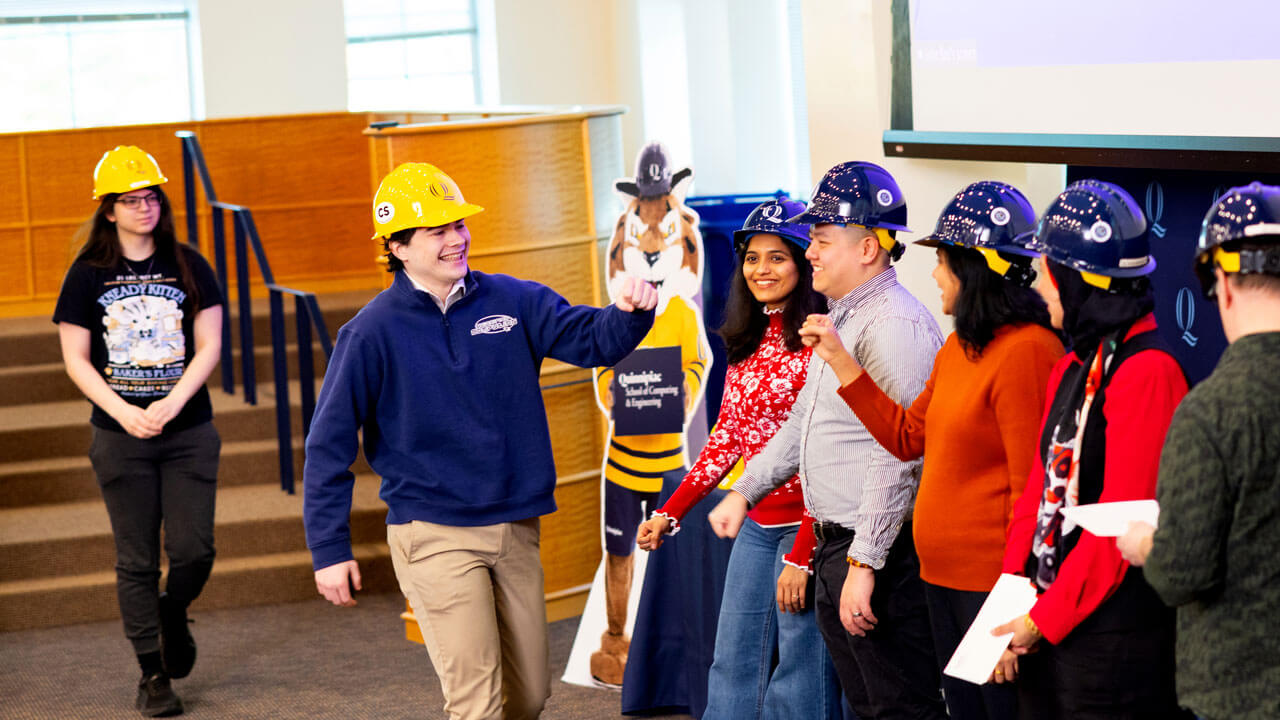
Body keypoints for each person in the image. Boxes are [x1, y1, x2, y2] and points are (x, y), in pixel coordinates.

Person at [302, 162, 656, 720]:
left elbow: (594, 340)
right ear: (397, 247)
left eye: (459, 225)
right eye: (437, 231)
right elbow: (328, 447)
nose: (457, 239)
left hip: (515, 525)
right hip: (432, 531)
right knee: (478, 702)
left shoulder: (513, 300)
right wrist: (329, 548)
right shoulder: (369, 333)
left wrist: (631, 313)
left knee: (528, 697)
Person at [801, 182, 1062, 720]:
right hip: (940, 581)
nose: (936, 276)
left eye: (942, 262)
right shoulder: (957, 347)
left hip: (988, 591)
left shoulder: (1028, 350)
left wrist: (1015, 607)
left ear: (973, 268)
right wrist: (841, 359)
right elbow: (904, 436)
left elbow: (1032, 494)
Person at [708, 161, 948, 720]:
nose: (809, 252)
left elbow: (899, 455)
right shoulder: (843, 317)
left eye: (820, 240)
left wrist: (865, 562)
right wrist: (745, 491)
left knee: (897, 707)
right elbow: (803, 423)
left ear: (867, 248)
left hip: (877, 552)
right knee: (866, 704)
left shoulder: (892, 324)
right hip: (838, 545)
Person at [634, 198, 839, 720]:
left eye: (777, 257)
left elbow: (828, 454)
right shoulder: (747, 339)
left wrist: (803, 552)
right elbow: (727, 437)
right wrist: (669, 512)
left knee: (801, 672)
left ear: (803, 262)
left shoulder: (823, 339)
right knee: (732, 661)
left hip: (811, 525)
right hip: (757, 521)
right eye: (752, 258)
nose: (761, 269)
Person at [991, 179, 1189, 720]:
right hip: (1051, 622)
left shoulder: (1148, 372)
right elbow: (1037, 498)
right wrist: (1009, 604)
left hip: (1111, 641)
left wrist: (1040, 621)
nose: (1041, 287)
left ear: (1080, 281)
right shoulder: (1072, 366)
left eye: (1050, 273)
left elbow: (1120, 528)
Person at [53, 145, 224, 718]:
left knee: (195, 550)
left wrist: (172, 403)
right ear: (109, 210)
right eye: (130, 200)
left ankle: (173, 609)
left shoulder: (189, 263)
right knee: (136, 560)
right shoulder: (87, 273)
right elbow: (76, 358)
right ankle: (153, 675)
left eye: (151, 197)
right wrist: (123, 411)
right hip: (119, 435)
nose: (144, 207)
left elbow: (210, 344)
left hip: (188, 429)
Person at [1117, 182, 1280, 720]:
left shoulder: (1212, 411)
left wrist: (1145, 543)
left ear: (1222, 286)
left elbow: (1181, 572)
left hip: (1241, 693)